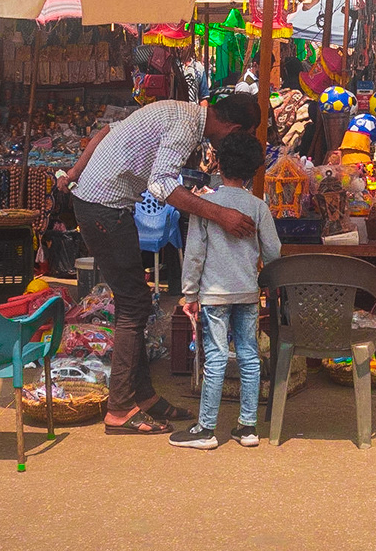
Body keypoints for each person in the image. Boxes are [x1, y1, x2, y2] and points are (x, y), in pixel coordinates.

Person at [63, 92, 263, 436]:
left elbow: (105, 132)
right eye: (241, 134)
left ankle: (144, 396)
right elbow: (161, 185)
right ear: (231, 126)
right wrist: (221, 215)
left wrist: (72, 174)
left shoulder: (179, 112)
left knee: (136, 302)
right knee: (133, 305)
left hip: (98, 202)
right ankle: (120, 408)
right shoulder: (186, 127)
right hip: (103, 208)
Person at [173, 130, 282, 450]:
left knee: (217, 358)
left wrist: (189, 294)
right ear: (255, 170)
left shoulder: (206, 205)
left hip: (213, 295)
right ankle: (247, 427)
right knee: (249, 356)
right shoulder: (258, 207)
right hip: (247, 293)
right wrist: (269, 284)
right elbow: (273, 252)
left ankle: (206, 428)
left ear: (218, 163)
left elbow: (194, 255)